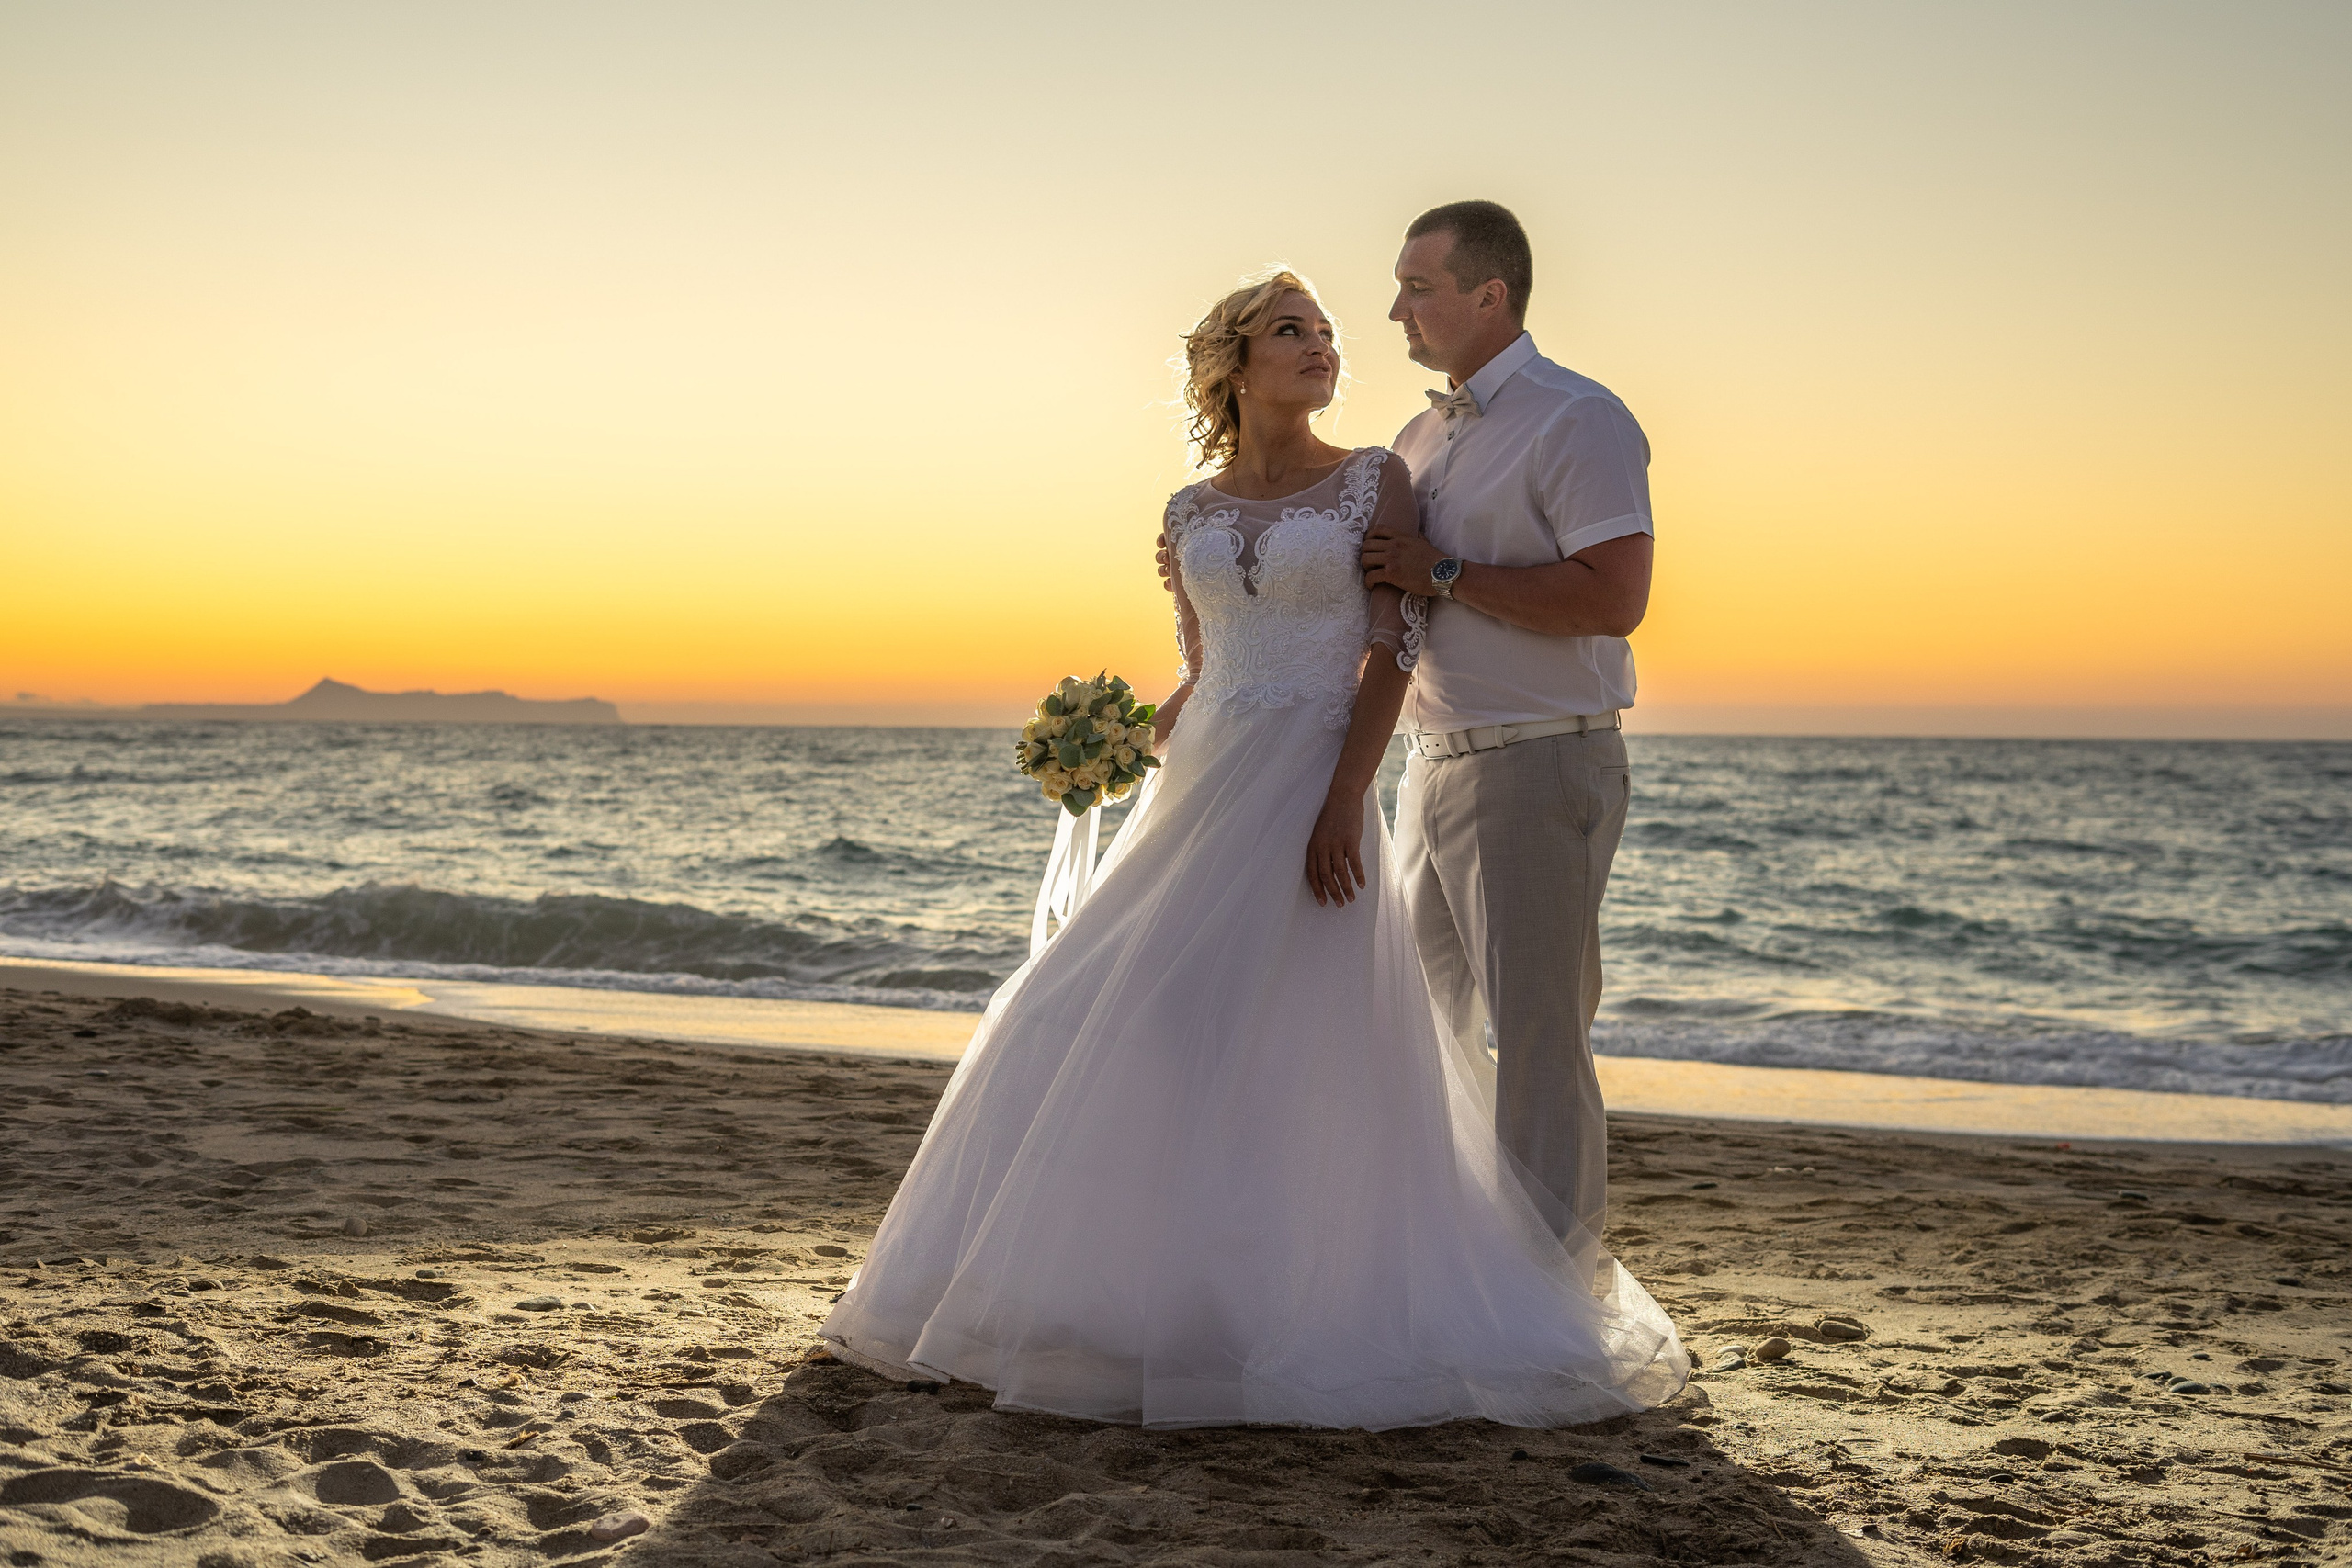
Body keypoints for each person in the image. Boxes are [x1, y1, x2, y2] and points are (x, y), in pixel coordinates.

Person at [820, 269, 1685, 1430]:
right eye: (1294, 331)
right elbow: (1201, 670)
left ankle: (1322, 1300)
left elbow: (1389, 651)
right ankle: (1146, 1298)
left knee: (1304, 1039)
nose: (1323, 347)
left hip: (1310, 783)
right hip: (1199, 788)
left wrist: (1344, 800)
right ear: (1232, 366)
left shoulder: (1377, 478)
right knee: (1112, 1014)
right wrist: (1121, 742)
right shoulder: (1188, 513)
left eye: (1328, 332)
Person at [1359, 200, 1656, 1251]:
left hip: (1539, 763)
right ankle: (1452, 1271)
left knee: (1536, 1045)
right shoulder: (1418, 435)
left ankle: (1552, 1304)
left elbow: (1612, 597)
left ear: (1490, 296)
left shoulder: (1579, 419)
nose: (1396, 306)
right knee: (1418, 1027)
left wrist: (1443, 571)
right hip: (1428, 768)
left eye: (1419, 286)